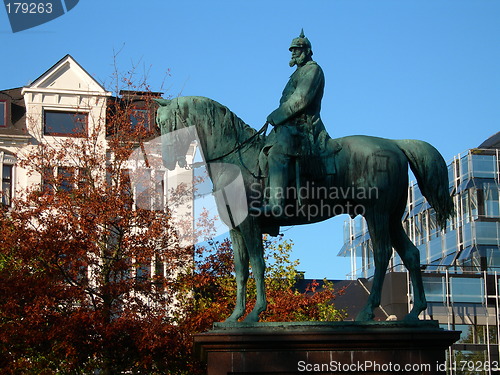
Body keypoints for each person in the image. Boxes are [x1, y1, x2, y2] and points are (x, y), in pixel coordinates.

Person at [255, 29, 329, 217]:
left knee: (277, 154)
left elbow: (300, 99)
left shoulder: (313, 69)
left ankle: (276, 204)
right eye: (292, 50)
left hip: (304, 126)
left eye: (297, 49)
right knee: (261, 151)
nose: (294, 53)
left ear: (307, 50)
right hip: (289, 125)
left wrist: (277, 115)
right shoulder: (298, 73)